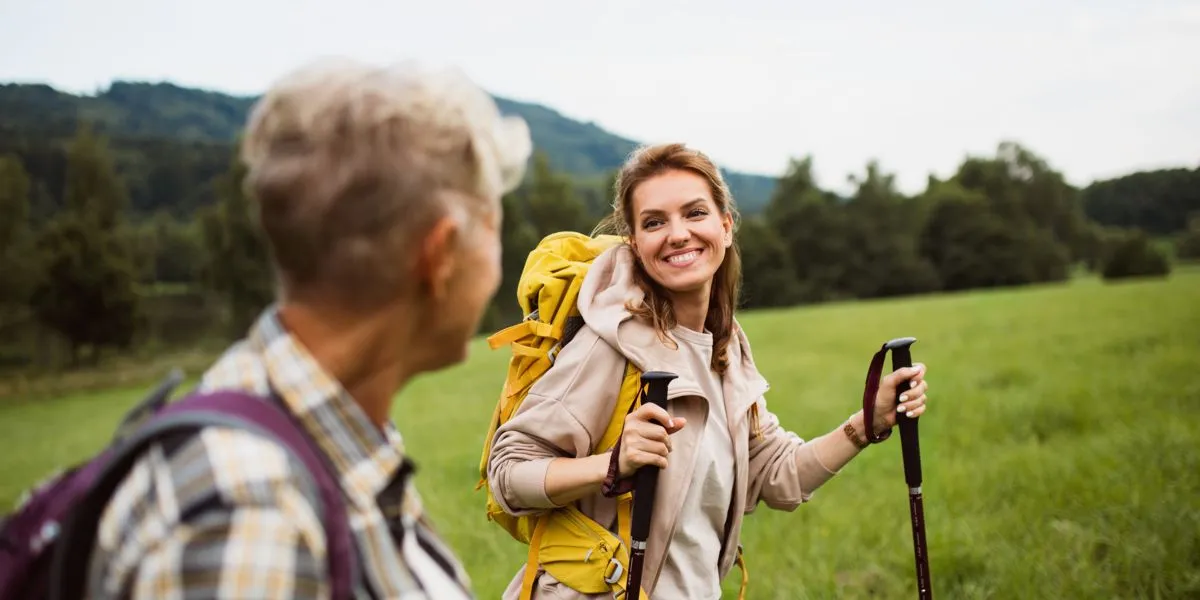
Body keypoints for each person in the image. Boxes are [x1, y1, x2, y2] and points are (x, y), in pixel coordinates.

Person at [86, 57, 532, 598]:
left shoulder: (325, 440)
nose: (500, 258)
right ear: (438, 256)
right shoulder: (253, 518)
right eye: (491, 226)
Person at [486, 142, 931, 599]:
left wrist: (868, 422)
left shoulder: (726, 348)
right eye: (655, 222)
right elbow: (508, 473)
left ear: (726, 226)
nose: (677, 234)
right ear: (636, 245)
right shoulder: (610, 343)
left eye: (694, 213)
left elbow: (778, 474)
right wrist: (612, 465)